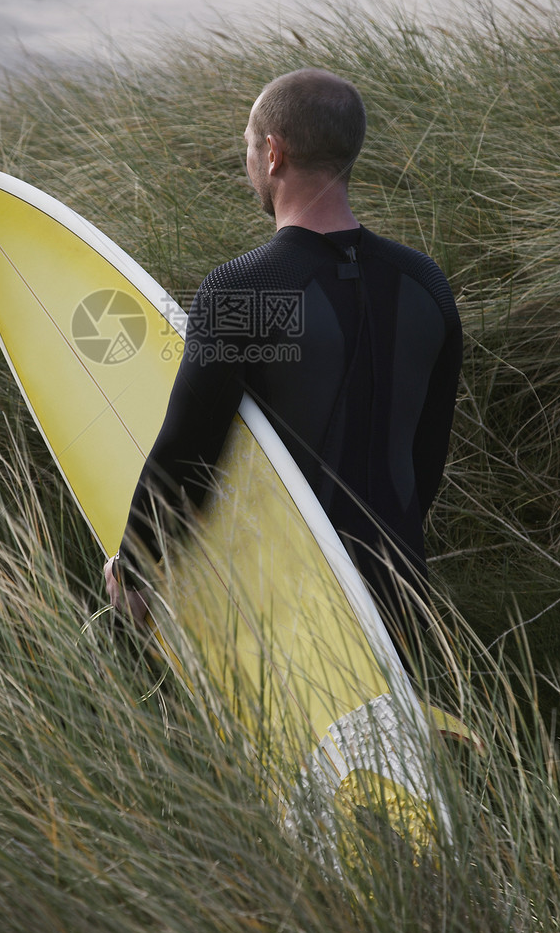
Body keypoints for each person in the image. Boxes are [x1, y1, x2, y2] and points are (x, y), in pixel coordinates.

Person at [105, 68, 462, 655]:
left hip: (281, 606)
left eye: (249, 144)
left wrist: (137, 571)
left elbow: (187, 452)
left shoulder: (249, 288)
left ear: (273, 153)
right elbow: (425, 461)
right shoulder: (425, 285)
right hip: (400, 599)